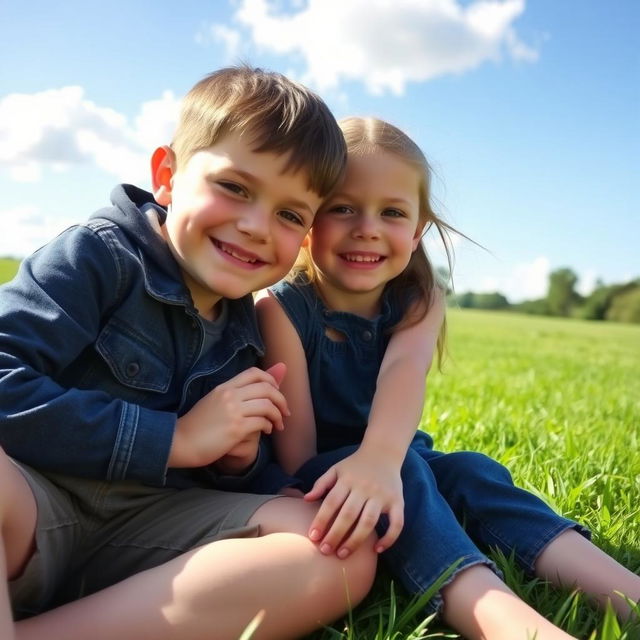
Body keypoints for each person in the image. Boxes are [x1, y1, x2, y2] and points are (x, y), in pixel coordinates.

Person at [0, 67, 379, 640]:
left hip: (147, 540)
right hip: (32, 506)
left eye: (289, 214)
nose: (255, 226)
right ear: (167, 177)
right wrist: (176, 440)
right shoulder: (99, 257)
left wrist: (237, 462)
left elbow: (222, 487)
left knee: (337, 550)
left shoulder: (250, 326)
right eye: (234, 187)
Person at [255, 116, 640, 640]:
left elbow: (404, 370)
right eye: (342, 207)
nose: (367, 226)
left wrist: (381, 460)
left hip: (395, 458)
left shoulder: (419, 298)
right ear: (307, 223)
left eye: (391, 212)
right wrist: (375, 470)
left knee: (470, 471)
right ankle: (505, 623)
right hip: (311, 482)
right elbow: (296, 458)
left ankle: (624, 592)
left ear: (416, 232)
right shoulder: (280, 309)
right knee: (412, 477)